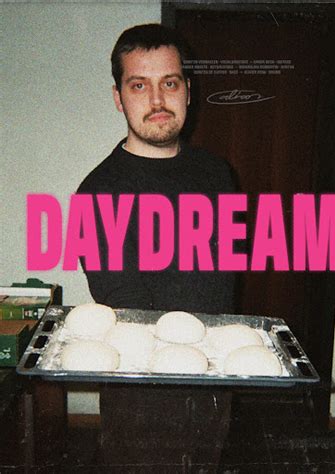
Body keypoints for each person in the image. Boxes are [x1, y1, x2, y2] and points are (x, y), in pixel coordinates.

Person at [77, 23, 236, 314]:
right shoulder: (97, 194)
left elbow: (224, 289)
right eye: (139, 86)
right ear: (118, 98)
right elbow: (131, 313)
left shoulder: (218, 172)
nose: (157, 100)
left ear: (188, 92)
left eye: (169, 83)